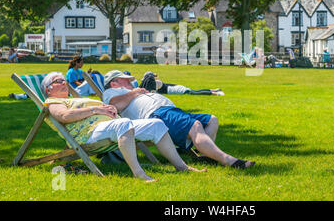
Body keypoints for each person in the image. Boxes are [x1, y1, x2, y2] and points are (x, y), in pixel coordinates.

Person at [42, 71, 205, 182]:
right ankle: (139, 174)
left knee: (157, 124)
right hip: (89, 134)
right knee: (124, 123)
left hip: (110, 126)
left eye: (64, 80)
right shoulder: (53, 102)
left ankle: (182, 167)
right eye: (59, 81)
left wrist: (109, 109)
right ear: (48, 89)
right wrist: (96, 109)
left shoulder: (74, 100)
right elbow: (64, 116)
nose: (65, 82)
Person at [103, 70, 255, 169]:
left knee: (212, 120)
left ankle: (204, 154)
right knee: (195, 126)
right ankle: (229, 161)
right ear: (113, 83)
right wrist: (135, 92)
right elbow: (115, 105)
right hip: (157, 113)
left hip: (169, 111)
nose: (130, 82)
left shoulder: (130, 91)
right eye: (126, 80)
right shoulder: (111, 92)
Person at [139, 71, 224, 96]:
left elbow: (152, 92)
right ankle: (213, 90)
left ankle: (216, 93)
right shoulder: (157, 81)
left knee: (194, 93)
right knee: (195, 91)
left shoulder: (156, 83)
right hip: (177, 88)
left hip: (177, 90)